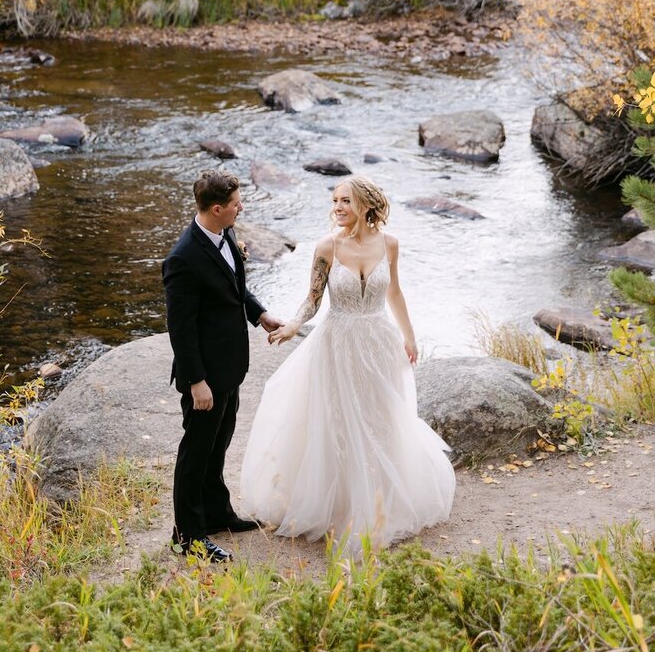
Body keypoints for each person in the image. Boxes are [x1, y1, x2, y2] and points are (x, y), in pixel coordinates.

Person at [240, 176, 455, 555]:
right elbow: (312, 299)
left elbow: (394, 292)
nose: (338, 207)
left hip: (377, 342)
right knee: (337, 421)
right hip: (336, 344)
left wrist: (409, 335)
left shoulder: (390, 244)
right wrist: (292, 325)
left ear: (366, 206)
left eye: (345, 201)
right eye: (335, 200)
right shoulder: (327, 246)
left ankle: (378, 503)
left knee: (379, 418)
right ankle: (338, 506)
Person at [164, 169, 284, 563]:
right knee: (195, 452)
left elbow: (233, 285)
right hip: (205, 375)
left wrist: (259, 313)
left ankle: (217, 513)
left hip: (230, 366)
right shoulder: (182, 258)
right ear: (217, 208)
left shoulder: (223, 233)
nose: (241, 207)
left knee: (219, 445)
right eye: (235, 204)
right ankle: (188, 537)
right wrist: (196, 381)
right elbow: (180, 329)